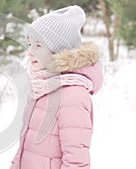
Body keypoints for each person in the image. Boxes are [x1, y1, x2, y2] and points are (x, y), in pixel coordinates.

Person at [11, 5, 103, 169]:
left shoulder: (73, 96)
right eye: (29, 44)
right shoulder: (42, 87)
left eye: (38, 45)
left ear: (59, 51)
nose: (29, 52)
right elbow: (27, 147)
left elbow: (76, 162)